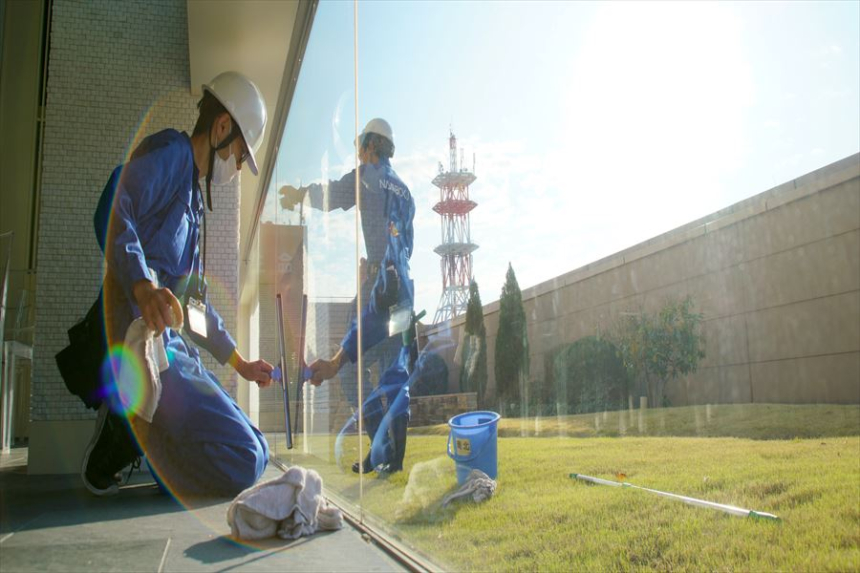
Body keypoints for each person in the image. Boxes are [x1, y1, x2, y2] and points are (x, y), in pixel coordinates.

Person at [82, 71, 274, 497]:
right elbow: (114, 204)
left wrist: (240, 363)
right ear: (222, 127)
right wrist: (142, 286)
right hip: (144, 343)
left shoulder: (191, 201)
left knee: (259, 445)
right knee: (246, 457)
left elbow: (193, 308)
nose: (238, 168)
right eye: (241, 156)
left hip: (173, 347)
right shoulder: (172, 153)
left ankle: (145, 431)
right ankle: (131, 432)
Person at [280, 118, 416, 474]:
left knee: (348, 372)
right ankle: (393, 456)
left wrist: (300, 194)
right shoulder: (405, 190)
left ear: (371, 147)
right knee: (394, 368)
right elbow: (407, 247)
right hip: (401, 286)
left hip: (378, 285)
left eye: (360, 147)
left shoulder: (367, 176)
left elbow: (334, 195)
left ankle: (380, 444)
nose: (358, 153)